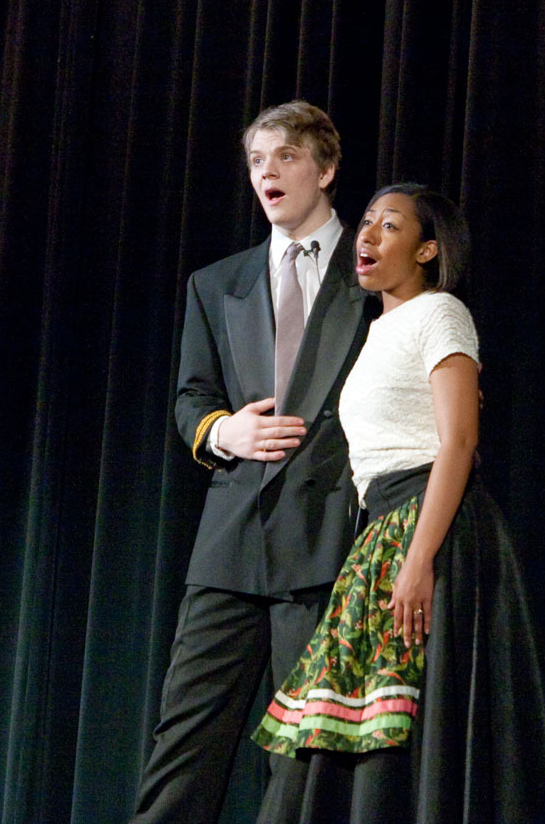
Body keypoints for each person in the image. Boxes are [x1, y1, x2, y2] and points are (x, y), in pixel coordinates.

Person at [252, 184, 545, 824]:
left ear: (427, 249)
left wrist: (418, 559)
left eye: (390, 226)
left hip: (433, 529)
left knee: (419, 718)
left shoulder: (441, 313)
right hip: (383, 533)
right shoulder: (377, 331)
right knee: (355, 724)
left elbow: (458, 442)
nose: (367, 236)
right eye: (366, 222)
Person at [129, 101, 376, 824]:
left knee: (301, 756)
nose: (266, 173)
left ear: (325, 170)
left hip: (328, 543)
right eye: (256, 161)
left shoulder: (370, 280)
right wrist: (221, 432)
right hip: (231, 541)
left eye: (285, 158)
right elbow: (189, 398)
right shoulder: (218, 283)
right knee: (185, 744)